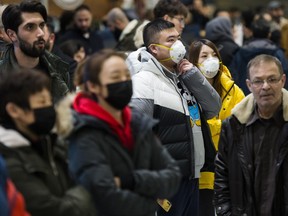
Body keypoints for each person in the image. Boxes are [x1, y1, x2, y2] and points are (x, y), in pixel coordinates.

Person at [68, 49, 181, 216]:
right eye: (115, 77)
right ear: (93, 86)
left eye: (127, 76)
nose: (124, 81)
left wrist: (130, 180)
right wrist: (149, 201)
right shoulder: (83, 131)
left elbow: (172, 176)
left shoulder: (138, 123)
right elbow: (105, 196)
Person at [126, 18, 221, 216]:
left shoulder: (183, 76)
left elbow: (213, 108)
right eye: (170, 40)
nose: (178, 44)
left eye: (178, 38)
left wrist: (193, 75)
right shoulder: (144, 81)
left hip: (191, 176)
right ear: (154, 48)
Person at [0, 69, 96, 216]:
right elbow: (55, 210)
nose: (49, 108)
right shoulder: (8, 159)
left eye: (50, 101)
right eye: (42, 102)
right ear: (14, 110)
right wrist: (91, 189)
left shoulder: (51, 143)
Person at [214, 54, 288, 215]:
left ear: (283, 80)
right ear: (249, 85)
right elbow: (221, 175)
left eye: (272, 79)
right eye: (258, 81)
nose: (265, 86)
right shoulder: (233, 125)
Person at [189, 39, 245, 216]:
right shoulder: (185, 90)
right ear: (193, 63)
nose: (210, 60)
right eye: (204, 56)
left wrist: (211, 125)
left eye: (214, 55)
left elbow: (241, 125)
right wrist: (221, 125)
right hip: (200, 171)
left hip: (228, 169)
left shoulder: (232, 89)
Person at [0, 0, 70, 103]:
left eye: (41, 25)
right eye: (30, 27)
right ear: (12, 35)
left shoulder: (59, 68)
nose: (41, 33)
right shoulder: (2, 74)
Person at [229, 17, 288, 95]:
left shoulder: (240, 52)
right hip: (272, 95)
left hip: (245, 95)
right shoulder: (277, 52)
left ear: (252, 32)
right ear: (269, 34)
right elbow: (285, 72)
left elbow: (234, 75)